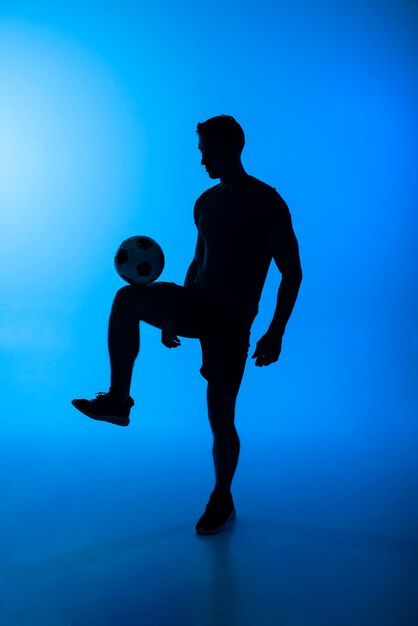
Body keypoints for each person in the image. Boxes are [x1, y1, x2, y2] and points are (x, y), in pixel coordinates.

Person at [72, 114, 302, 535]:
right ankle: (119, 399)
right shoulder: (206, 202)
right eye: (200, 151)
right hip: (195, 304)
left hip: (231, 325)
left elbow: (292, 272)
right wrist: (169, 314)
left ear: (231, 148)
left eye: (206, 151)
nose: (201, 160)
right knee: (127, 299)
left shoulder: (266, 202)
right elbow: (199, 259)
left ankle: (222, 497)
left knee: (220, 418)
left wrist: (276, 330)